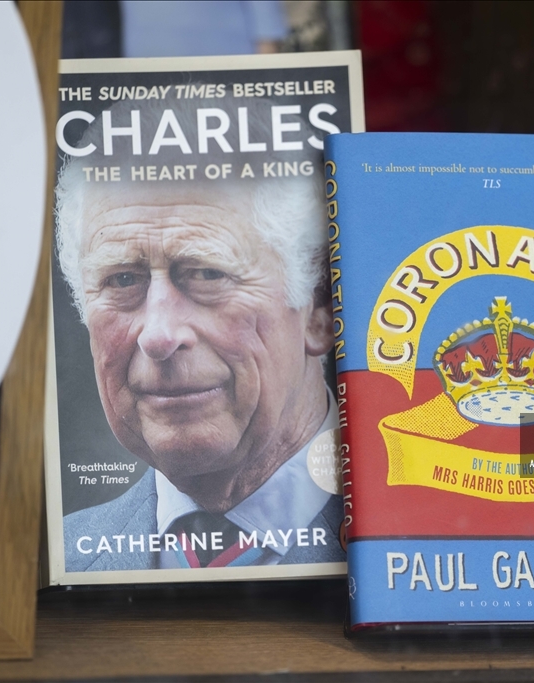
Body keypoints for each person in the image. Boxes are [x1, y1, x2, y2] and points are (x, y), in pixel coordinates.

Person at [56, 97, 344, 570]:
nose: (159, 335)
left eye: (207, 274)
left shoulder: (418, 547)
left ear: (317, 307)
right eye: (122, 280)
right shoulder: (58, 558)